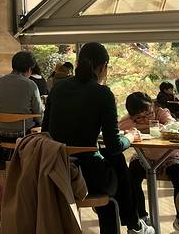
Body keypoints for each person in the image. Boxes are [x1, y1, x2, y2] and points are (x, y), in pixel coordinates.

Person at [42, 42, 152, 234]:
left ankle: (134, 224)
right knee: (115, 161)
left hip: (56, 172)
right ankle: (134, 224)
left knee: (109, 164)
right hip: (88, 179)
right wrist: (130, 136)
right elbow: (114, 145)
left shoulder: (57, 89)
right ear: (103, 67)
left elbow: (45, 132)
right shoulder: (103, 94)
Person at [119, 92, 179, 234]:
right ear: (132, 116)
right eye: (139, 117)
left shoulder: (161, 112)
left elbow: (172, 124)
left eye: (148, 114)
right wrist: (146, 126)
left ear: (152, 106)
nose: (145, 119)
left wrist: (147, 126)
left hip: (169, 156)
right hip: (144, 157)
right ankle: (141, 217)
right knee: (131, 177)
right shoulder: (128, 119)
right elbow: (121, 126)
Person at [0, 51, 42, 140]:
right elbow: (38, 113)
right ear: (29, 69)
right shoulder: (30, 84)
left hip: (1, 131)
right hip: (23, 133)